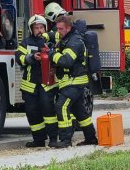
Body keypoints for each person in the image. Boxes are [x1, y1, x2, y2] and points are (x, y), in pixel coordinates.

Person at [48, 15, 99, 148]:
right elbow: (52, 36)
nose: (58, 31)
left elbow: (66, 62)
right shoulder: (67, 37)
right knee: (80, 111)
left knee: (61, 106)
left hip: (75, 82)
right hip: (72, 81)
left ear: (69, 28)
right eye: (57, 28)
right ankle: (91, 138)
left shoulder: (75, 41)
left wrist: (52, 54)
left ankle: (65, 140)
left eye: (61, 29)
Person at [16, 15, 57, 148]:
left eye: (41, 27)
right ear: (31, 29)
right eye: (36, 28)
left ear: (45, 28)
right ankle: (39, 140)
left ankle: (53, 139)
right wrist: (31, 57)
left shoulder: (52, 41)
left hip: (47, 83)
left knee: (48, 110)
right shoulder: (26, 42)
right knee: (32, 112)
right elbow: (19, 57)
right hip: (30, 85)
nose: (39, 30)